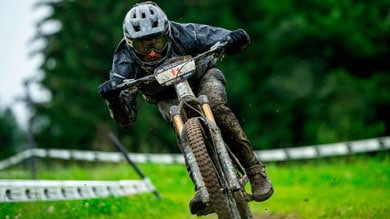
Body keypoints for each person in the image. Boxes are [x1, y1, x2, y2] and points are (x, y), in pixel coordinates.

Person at [98, 1, 273, 214]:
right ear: (131, 44)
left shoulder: (184, 33)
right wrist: (114, 99)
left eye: (158, 42)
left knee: (215, 106)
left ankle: (255, 171)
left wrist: (235, 38)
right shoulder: (123, 60)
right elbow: (127, 119)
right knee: (177, 118)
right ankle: (202, 185)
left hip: (203, 78)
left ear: (168, 34)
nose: (152, 52)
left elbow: (222, 37)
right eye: (144, 46)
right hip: (164, 96)